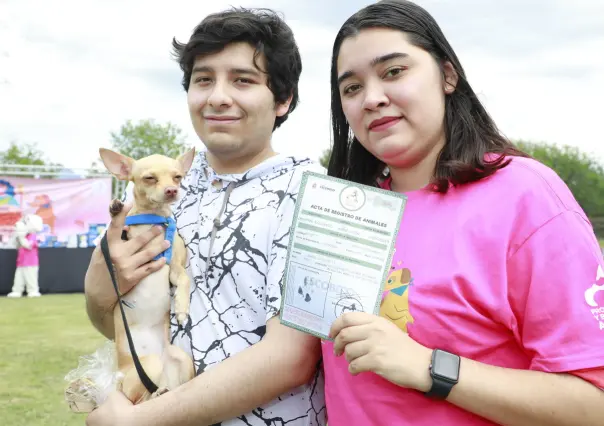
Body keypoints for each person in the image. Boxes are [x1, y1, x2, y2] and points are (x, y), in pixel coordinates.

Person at [323, 1, 604, 425]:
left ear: (448, 75)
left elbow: (593, 404)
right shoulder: (346, 213)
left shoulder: (524, 195)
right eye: (351, 88)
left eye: (394, 72)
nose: (373, 99)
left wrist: (430, 368)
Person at [84, 7, 326, 426]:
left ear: (283, 99)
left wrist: (140, 422)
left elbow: (291, 358)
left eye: (243, 80)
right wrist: (100, 287)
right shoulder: (161, 187)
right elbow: (115, 319)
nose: (217, 96)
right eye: (203, 79)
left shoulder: (316, 191)